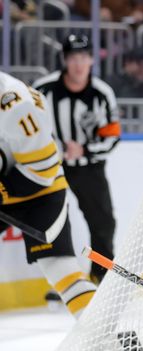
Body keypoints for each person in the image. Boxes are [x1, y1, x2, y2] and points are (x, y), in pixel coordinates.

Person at [0, 71, 97, 315]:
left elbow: (41, 171)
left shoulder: (15, 104)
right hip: (10, 179)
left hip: (40, 190)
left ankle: (107, 336)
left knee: (60, 269)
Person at [33, 34, 121, 283]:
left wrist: (84, 150)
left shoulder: (102, 93)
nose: (79, 64)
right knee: (51, 220)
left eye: (83, 57)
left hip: (89, 168)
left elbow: (112, 137)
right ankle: (59, 278)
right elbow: (27, 128)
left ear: (92, 60)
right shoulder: (42, 90)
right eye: (73, 58)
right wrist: (55, 148)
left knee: (103, 221)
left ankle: (100, 276)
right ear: (65, 60)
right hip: (51, 167)